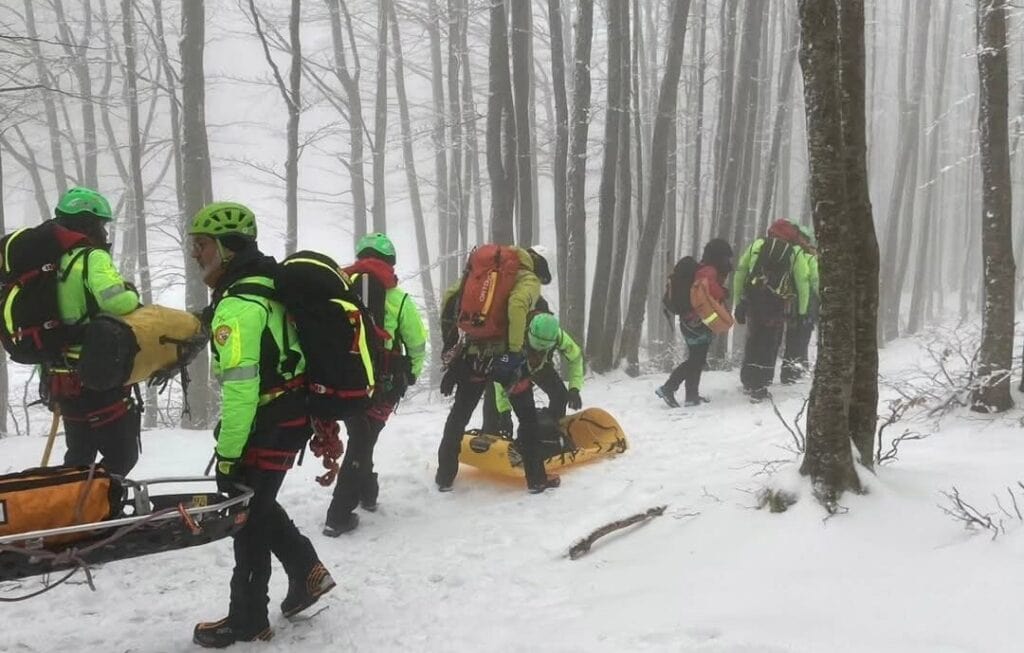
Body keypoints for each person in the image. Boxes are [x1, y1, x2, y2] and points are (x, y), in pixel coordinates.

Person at [189, 202, 335, 648]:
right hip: (289, 415)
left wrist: (229, 454)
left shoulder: (238, 305)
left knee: (244, 516)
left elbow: (240, 390)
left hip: (266, 422)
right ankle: (308, 573)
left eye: (203, 245)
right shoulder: (270, 286)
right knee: (258, 505)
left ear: (228, 250)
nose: (196, 254)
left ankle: (248, 618)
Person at [323, 233, 427, 536]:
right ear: (390, 263)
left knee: (361, 436)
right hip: (383, 385)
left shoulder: (340, 290)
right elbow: (417, 343)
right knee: (362, 441)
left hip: (342, 382)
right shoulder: (399, 298)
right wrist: (412, 373)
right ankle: (338, 514)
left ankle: (367, 493)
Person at [436, 245, 559, 494]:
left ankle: (444, 476)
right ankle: (536, 479)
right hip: (505, 357)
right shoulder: (526, 278)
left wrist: (451, 349)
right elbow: (516, 305)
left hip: (473, 354)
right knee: (527, 417)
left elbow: (450, 298)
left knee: (459, 414)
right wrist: (514, 352)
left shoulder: (481, 273)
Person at [46, 187, 142, 476]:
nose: (104, 232)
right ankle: (102, 510)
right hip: (96, 373)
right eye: (101, 225)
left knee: (79, 454)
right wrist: (131, 293)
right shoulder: (91, 258)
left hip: (60, 375)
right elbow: (117, 302)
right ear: (88, 225)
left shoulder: (50, 262)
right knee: (122, 455)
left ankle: (74, 510)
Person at [732, 219, 811, 401]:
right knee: (769, 343)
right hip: (777, 305)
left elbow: (741, 272)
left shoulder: (757, 245)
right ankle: (761, 384)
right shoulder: (795, 252)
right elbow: (803, 282)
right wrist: (802, 311)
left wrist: (739, 302)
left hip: (754, 301)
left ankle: (748, 380)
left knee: (753, 339)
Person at [656, 239, 733, 408]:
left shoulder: (701, 268)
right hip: (696, 323)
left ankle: (692, 395)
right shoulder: (709, 271)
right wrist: (724, 292)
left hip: (690, 321)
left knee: (696, 358)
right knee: (696, 360)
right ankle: (668, 388)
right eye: (726, 258)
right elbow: (712, 290)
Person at [481, 312, 584, 436]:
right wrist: (505, 412)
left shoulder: (559, 336)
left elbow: (575, 358)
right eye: (536, 345)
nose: (539, 350)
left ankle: (551, 433)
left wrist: (574, 388)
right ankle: (490, 434)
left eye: (543, 348)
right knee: (493, 400)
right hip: (512, 362)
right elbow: (499, 379)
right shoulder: (514, 335)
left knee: (560, 395)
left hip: (539, 366)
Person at [780, 224, 819, 384]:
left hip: (790, 303)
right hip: (807, 303)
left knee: (792, 336)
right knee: (801, 337)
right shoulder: (808, 257)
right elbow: (815, 281)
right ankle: (793, 372)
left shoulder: (789, 255)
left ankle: (791, 369)